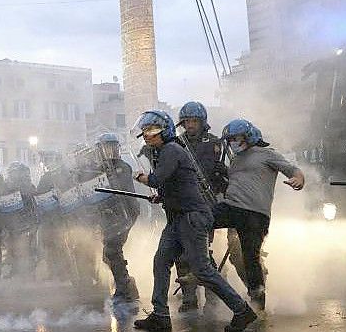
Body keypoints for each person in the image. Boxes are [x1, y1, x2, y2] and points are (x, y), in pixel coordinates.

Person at [131, 111, 255, 332]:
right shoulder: (163, 151)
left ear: (165, 131)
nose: (147, 135)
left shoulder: (171, 149)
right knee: (161, 261)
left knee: (202, 270)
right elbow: (175, 184)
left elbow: (157, 179)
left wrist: (141, 178)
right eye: (145, 131)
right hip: (177, 218)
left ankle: (242, 311)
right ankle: (160, 315)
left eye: (151, 130)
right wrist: (162, 195)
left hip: (191, 218)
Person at [213, 119, 304, 311]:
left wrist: (298, 179)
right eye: (229, 140)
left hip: (255, 214)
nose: (232, 143)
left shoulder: (267, 154)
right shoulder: (236, 159)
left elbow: (292, 170)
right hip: (232, 208)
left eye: (235, 138)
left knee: (250, 257)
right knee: (198, 220)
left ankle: (258, 304)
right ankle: (202, 265)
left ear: (248, 136)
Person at [173, 101, 227, 312]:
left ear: (202, 122)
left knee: (200, 252)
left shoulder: (215, 144)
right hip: (182, 205)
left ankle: (212, 294)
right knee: (181, 252)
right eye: (186, 121)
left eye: (194, 121)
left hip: (206, 205)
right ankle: (189, 297)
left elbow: (223, 174)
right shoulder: (177, 144)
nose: (190, 125)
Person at [92, 133, 141, 317]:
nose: (110, 151)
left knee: (113, 250)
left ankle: (123, 291)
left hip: (125, 214)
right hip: (108, 219)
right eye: (106, 148)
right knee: (108, 255)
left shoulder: (122, 167)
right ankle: (127, 283)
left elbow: (123, 191)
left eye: (113, 147)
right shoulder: (97, 170)